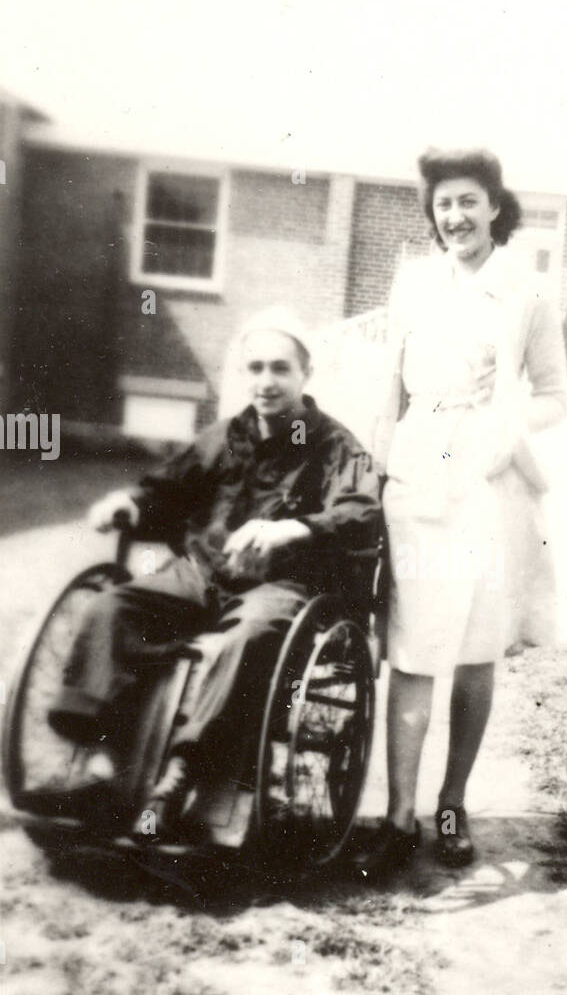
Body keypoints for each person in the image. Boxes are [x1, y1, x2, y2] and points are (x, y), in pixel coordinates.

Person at [44, 307, 380, 838]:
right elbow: (169, 488)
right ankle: (103, 766)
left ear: (304, 374)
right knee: (114, 605)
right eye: (255, 369)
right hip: (202, 573)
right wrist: (131, 503)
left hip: (279, 586)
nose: (265, 382)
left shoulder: (333, 445)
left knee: (243, 640)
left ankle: (180, 777)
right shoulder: (227, 435)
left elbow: (362, 511)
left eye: (279, 369)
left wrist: (295, 529)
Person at [354, 147, 567, 878]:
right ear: (432, 213)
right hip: (420, 472)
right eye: (444, 204)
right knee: (413, 649)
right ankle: (395, 815)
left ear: (494, 206)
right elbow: (388, 388)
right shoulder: (413, 285)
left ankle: (450, 803)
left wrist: (505, 426)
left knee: (475, 652)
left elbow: (554, 396)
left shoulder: (526, 294)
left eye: (468, 201)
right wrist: (379, 469)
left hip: (490, 485)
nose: (455, 216)